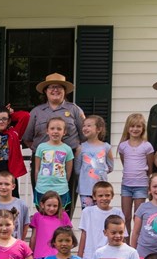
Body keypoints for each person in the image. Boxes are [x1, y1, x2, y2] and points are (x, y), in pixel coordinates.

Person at [23, 73, 85, 213]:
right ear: (46, 91)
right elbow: (27, 137)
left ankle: (64, 231)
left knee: (66, 203)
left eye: (59, 87)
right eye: (51, 87)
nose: (55, 90)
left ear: (65, 91)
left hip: (68, 160)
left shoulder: (74, 110)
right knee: (43, 202)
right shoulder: (36, 112)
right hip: (43, 162)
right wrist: (43, 151)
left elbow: (84, 135)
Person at [117, 113, 154, 234]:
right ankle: (126, 243)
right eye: (132, 126)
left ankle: (136, 243)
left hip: (141, 185)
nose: (135, 129)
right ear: (128, 128)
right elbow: (125, 163)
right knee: (126, 217)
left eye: (138, 126)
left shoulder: (147, 146)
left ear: (143, 128)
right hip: (126, 185)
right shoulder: (123, 146)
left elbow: (150, 168)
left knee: (137, 217)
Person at [77, 181, 126, 259]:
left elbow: (123, 237)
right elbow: (84, 235)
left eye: (107, 195)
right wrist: (79, 258)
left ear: (112, 196)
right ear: (94, 197)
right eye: (100, 196)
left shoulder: (117, 212)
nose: (104, 198)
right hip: (90, 258)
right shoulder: (87, 212)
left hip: (111, 258)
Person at [74, 115, 114, 211]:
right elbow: (77, 169)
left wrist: (99, 173)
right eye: (84, 125)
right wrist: (87, 174)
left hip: (102, 189)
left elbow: (110, 166)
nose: (85, 128)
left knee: (101, 213)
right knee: (88, 213)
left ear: (98, 129)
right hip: (86, 188)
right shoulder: (81, 148)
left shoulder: (106, 147)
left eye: (89, 125)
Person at [34, 117, 74, 209]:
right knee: (43, 214)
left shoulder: (67, 149)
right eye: (52, 128)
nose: (55, 131)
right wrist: (38, 183)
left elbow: (68, 171)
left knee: (59, 215)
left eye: (59, 129)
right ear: (47, 131)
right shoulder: (41, 147)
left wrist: (62, 183)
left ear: (64, 132)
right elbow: (37, 169)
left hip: (60, 189)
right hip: (42, 188)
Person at [0, 171, 30, 240]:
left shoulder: (22, 205)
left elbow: (25, 225)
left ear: (13, 186)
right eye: (0, 184)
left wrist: (21, 242)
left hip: (14, 247)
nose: (3, 187)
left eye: (7, 184)